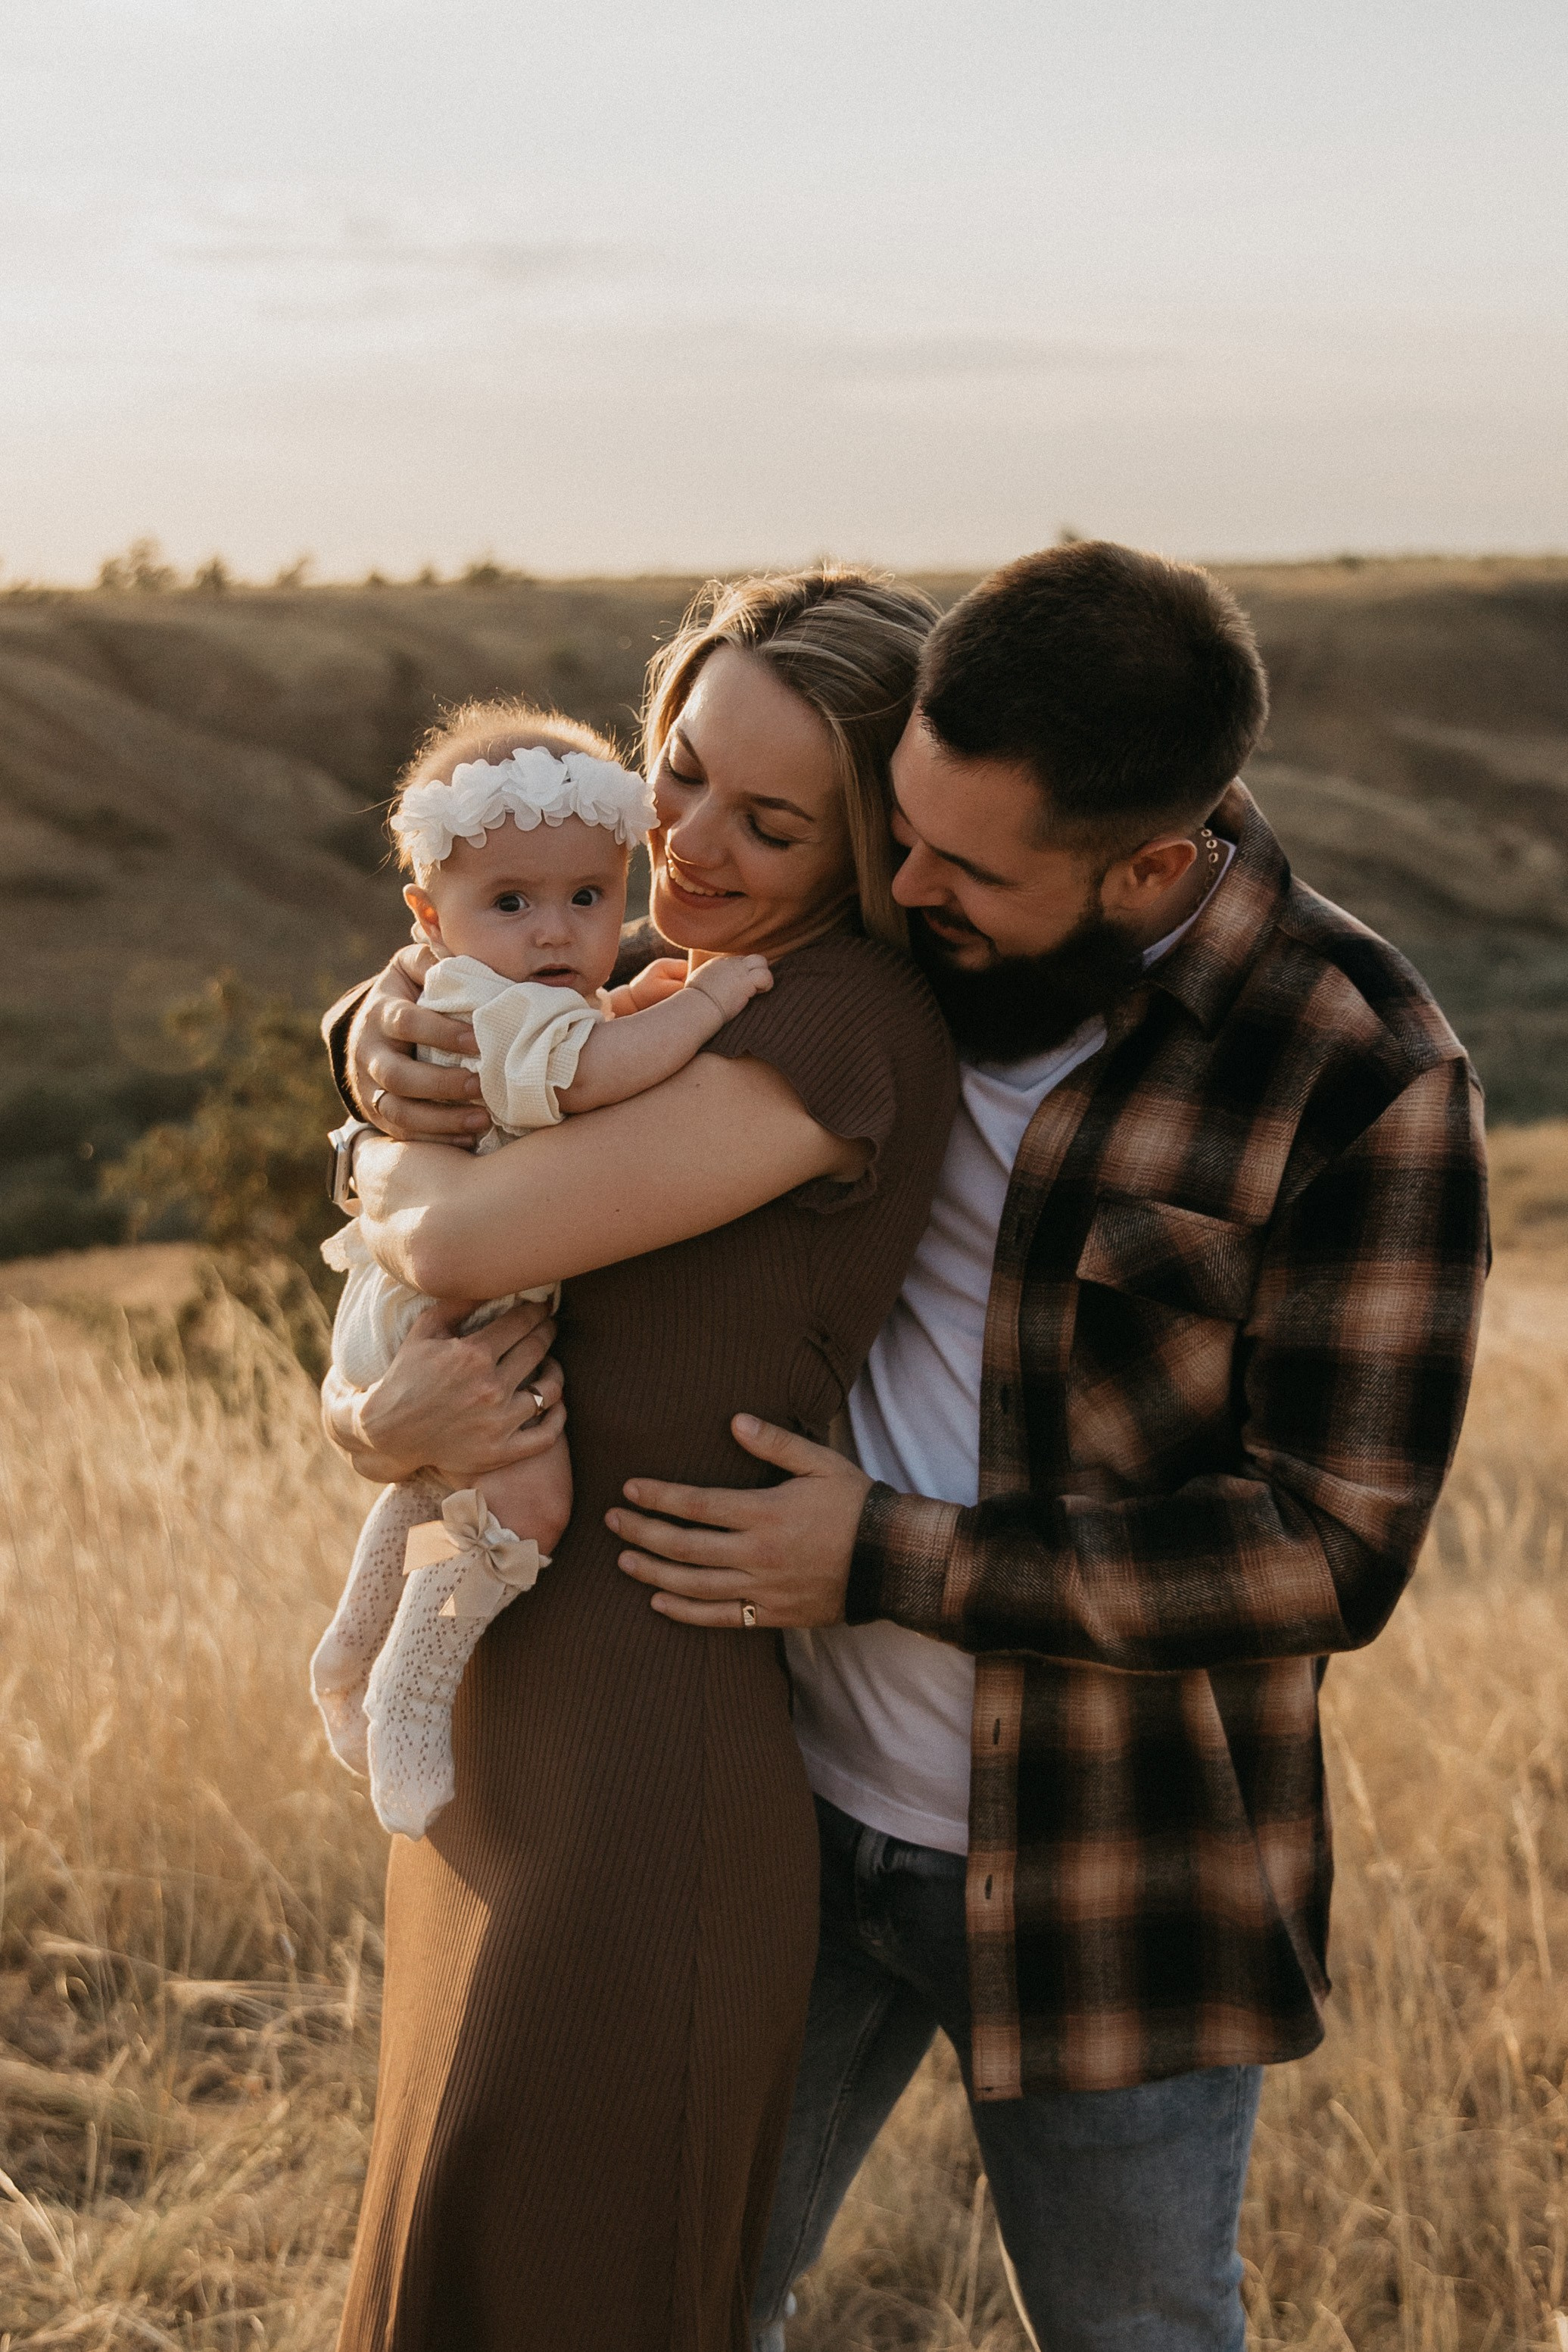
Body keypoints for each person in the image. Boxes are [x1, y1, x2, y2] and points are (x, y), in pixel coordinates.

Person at [605, 541, 1492, 2351]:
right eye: (893, 828)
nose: (901, 881)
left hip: (1116, 1861)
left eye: (962, 865)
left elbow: (1329, 1549)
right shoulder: (897, 924)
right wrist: (374, 1041)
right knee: (666, 2292)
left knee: (1137, 2328)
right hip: (781, 1803)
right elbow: (564, 991)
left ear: (1150, 864)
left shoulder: (1357, 1073)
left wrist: (885, 1553)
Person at [317, 569, 957, 2352]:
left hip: (644, 1727)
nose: (693, 839)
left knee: (574, 2263)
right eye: (678, 773)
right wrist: (373, 1421)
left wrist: (373, 1143)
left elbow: (445, 1239)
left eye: (772, 818)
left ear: (874, 841)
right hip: (502, 1701)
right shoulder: (635, 981)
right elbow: (426, 1307)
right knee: (448, 2223)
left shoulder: (838, 1025)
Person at [310, 706, 771, 1839]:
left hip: (417, 1317)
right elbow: (597, 1071)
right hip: (455, 1307)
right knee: (529, 1496)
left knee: (432, 1474)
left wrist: (642, 995)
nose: (557, 933)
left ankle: (350, 1639)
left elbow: (595, 1029)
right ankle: (412, 1691)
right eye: (510, 903)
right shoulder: (495, 1009)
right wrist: (707, 996)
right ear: (429, 917)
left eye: (586, 898)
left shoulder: (495, 991)